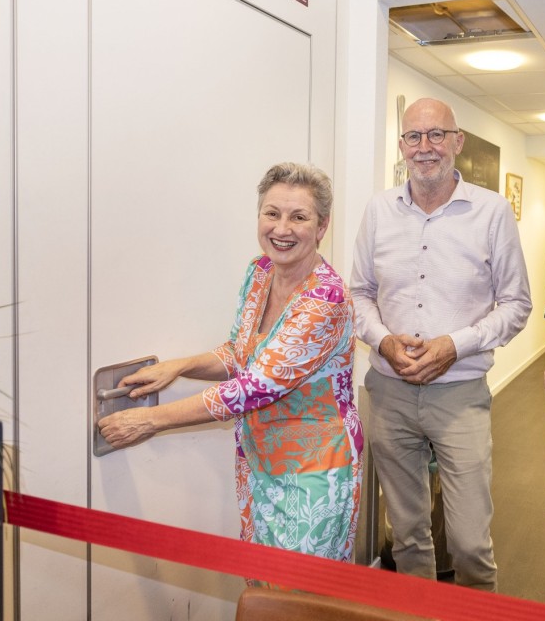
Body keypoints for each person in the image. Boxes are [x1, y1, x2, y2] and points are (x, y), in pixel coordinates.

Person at [97, 162, 363, 563]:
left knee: (298, 592)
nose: (282, 228)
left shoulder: (326, 299)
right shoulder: (259, 272)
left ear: (322, 226)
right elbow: (241, 354)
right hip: (258, 460)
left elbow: (254, 388)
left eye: (299, 217)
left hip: (315, 470)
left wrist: (150, 420)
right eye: (272, 213)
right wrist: (179, 367)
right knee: (261, 580)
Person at [350, 97, 532, 591]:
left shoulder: (491, 212)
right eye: (414, 136)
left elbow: (517, 304)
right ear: (402, 145)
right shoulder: (379, 210)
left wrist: (456, 344)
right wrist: (383, 341)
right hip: (389, 394)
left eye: (437, 135)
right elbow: (359, 294)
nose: (425, 146)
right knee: (407, 536)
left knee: (470, 544)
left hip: (460, 397)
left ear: (457, 142)